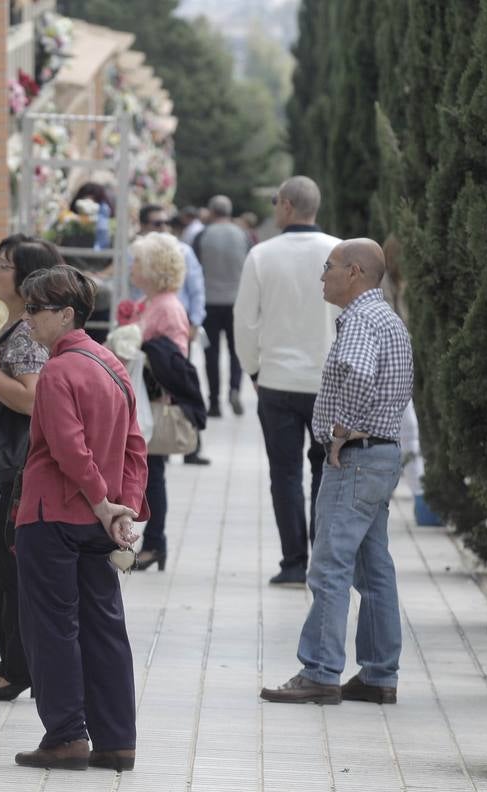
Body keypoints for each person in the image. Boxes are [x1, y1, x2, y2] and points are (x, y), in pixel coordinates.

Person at [260, 238, 414, 705]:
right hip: (381, 455)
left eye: (328, 267)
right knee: (373, 567)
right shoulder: (385, 318)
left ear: (354, 272)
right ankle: (379, 674)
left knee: (329, 564)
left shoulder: (360, 320)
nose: (322, 276)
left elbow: (359, 375)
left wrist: (341, 434)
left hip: (357, 457)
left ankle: (321, 671)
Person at [12, 265, 149, 772]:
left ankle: (67, 735)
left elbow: (68, 447)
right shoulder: (113, 365)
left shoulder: (58, 370)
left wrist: (98, 499)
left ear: (66, 314)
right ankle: (118, 740)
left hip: (52, 515)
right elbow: (136, 447)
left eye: (34, 310)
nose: (26, 320)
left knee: (52, 628)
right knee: (104, 626)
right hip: (99, 521)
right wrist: (121, 507)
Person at [233, 176, 341, 586]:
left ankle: (293, 561)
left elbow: (245, 321)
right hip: (326, 382)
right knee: (325, 469)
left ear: (288, 207)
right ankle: (322, 559)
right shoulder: (339, 251)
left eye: (277, 201)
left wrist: (254, 369)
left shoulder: (262, 255)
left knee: (285, 473)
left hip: (276, 380)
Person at [0, 234, 63, 702]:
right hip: (4, 463)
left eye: (4, 265)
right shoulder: (17, 328)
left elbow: (32, 400)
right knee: (2, 563)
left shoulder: (26, 336)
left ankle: (18, 667)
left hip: (15, 466)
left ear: (27, 280)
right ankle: (14, 663)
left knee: (10, 565)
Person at [117, 231, 199, 572]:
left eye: (137, 262)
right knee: (151, 474)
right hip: (146, 402)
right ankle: (153, 543)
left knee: (154, 475)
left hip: (156, 403)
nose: (132, 268)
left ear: (153, 268)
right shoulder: (154, 303)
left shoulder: (166, 307)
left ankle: (155, 544)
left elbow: (173, 358)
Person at [140, 203, 210, 466]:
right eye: (157, 224)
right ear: (144, 226)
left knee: (180, 386)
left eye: (166, 223)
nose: (163, 228)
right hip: (147, 333)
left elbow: (197, 288)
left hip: (174, 331)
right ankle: (162, 443)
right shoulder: (137, 255)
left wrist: (195, 321)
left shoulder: (183, 251)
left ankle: (188, 442)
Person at [192, 194, 251, 417]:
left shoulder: (202, 236)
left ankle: (214, 401)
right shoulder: (243, 235)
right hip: (236, 301)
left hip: (209, 301)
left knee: (211, 353)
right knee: (237, 351)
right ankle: (234, 389)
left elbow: (195, 270)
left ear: (212, 212)